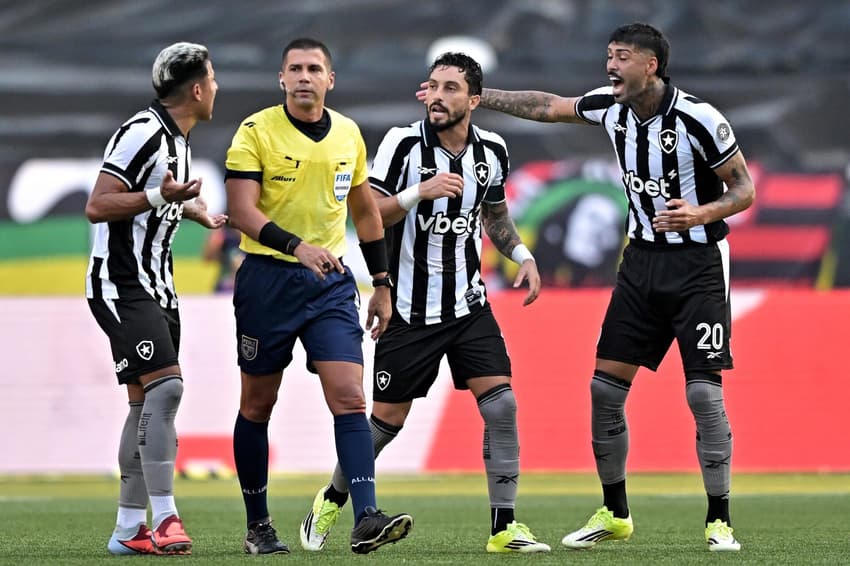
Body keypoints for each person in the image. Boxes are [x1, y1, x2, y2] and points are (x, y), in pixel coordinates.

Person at [461, 22, 755, 552]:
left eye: (621, 57)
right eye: (608, 55)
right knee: (604, 390)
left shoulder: (699, 118)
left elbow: (744, 188)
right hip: (640, 263)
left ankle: (720, 520)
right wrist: (482, 97)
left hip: (700, 265)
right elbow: (549, 105)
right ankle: (615, 511)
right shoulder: (610, 106)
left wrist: (700, 212)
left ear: (651, 65)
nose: (610, 66)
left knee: (703, 394)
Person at [300, 52, 550, 555]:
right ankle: (331, 497)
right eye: (433, 86)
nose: (437, 96)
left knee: (501, 405)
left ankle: (504, 527)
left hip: (468, 304)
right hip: (410, 311)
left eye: (451, 88)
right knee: (387, 422)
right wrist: (421, 191)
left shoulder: (493, 150)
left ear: (473, 100)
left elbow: (494, 217)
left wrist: (521, 254)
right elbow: (370, 216)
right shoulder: (402, 144)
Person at [224, 37, 413, 555]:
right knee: (258, 404)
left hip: (330, 283)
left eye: (314, 69)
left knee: (351, 397)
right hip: (268, 280)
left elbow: (367, 212)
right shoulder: (255, 131)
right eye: (295, 69)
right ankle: (258, 524)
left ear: (331, 80)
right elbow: (242, 211)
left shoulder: (349, 134)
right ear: (281, 80)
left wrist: (381, 282)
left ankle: (366, 516)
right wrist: (296, 246)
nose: (304, 77)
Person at [85, 42, 225, 556]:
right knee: (167, 391)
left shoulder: (177, 140)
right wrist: (159, 196)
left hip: (156, 285)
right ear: (195, 88)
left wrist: (195, 212)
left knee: (144, 403)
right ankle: (165, 516)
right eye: (212, 79)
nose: (216, 88)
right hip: (122, 283)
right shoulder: (142, 131)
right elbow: (98, 206)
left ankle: (127, 530)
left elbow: (157, 198)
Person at [202, 225, 244, 293]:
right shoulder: (226, 237)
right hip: (225, 287)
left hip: (247, 286)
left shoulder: (253, 238)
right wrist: (213, 243)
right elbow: (207, 259)